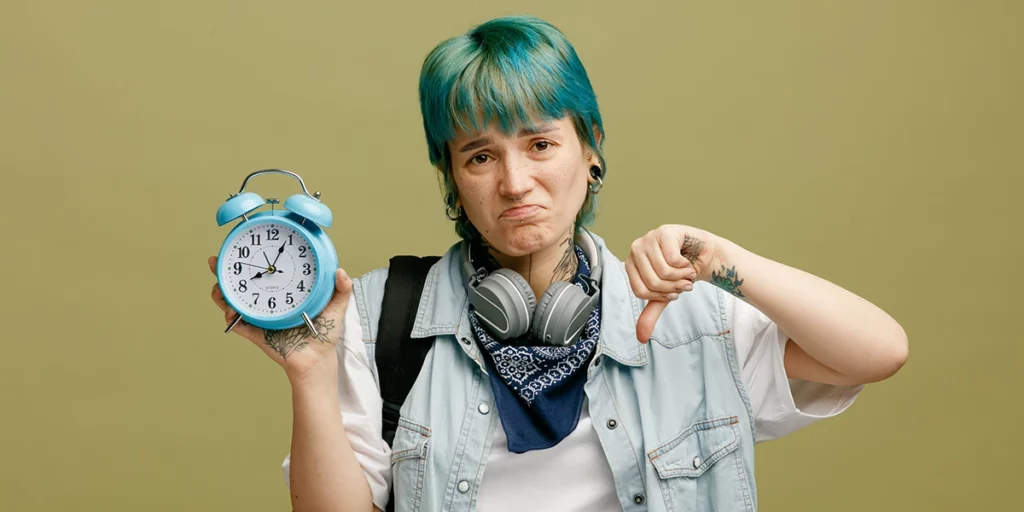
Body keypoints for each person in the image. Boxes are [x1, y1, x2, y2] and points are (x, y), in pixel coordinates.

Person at [208, 15, 908, 512]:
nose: (514, 182)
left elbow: (876, 352)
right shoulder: (377, 315)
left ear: (590, 149)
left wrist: (724, 260)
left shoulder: (683, 315)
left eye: (540, 144)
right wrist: (309, 372)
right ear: (452, 178)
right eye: (480, 155)